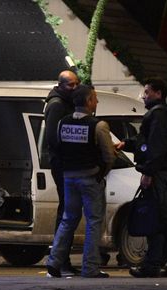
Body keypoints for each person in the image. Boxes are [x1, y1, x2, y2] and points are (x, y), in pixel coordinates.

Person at [115, 78, 167, 278]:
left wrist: (148, 172)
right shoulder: (161, 115)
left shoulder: (158, 115)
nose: (143, 96)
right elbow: (146, 142)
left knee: (159, 218)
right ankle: (161, 263)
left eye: (146, 92)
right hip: (160, 173)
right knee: (160, 219)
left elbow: (156, 146)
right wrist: (126, 144)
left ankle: (165, 263)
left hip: (157, 174)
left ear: (158, 94)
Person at [45, 84, 115, 278]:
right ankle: (90, 267)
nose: (97, 101)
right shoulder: (98, 125)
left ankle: (54, 261)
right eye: (95, 98)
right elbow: (109, 156)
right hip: (90, 178)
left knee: (68, 219)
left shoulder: (62, 123)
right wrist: (101, 173)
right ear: (88, 101)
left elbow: (58, 148)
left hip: (69, 178)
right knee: (94, 221)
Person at [44, 70, 80, 275]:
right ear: (60, 85)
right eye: (70, 85)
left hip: (64, 164)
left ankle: (61, 259)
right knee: (67, 211)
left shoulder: (63, 103)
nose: (74, 88)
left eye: (76, 84)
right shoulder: (57, 105)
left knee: (67, 210)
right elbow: (52, 138)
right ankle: (60, 259)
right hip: (63, 165)